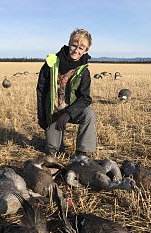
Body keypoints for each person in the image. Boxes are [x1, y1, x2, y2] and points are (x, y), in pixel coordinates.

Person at [36, 28, 97, 158]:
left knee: (89, 113)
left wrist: (68, 114)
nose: (76, 50)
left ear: (86, 50)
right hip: (54, 112)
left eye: (81, 48)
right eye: (74, 45)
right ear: (69, 43)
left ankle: (82, 153)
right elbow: (41, 90)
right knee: (53, 152)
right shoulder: (51, 63)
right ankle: (55, 143)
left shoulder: (83, 71)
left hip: (72, 112)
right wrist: (42, 117)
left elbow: (85, 98)